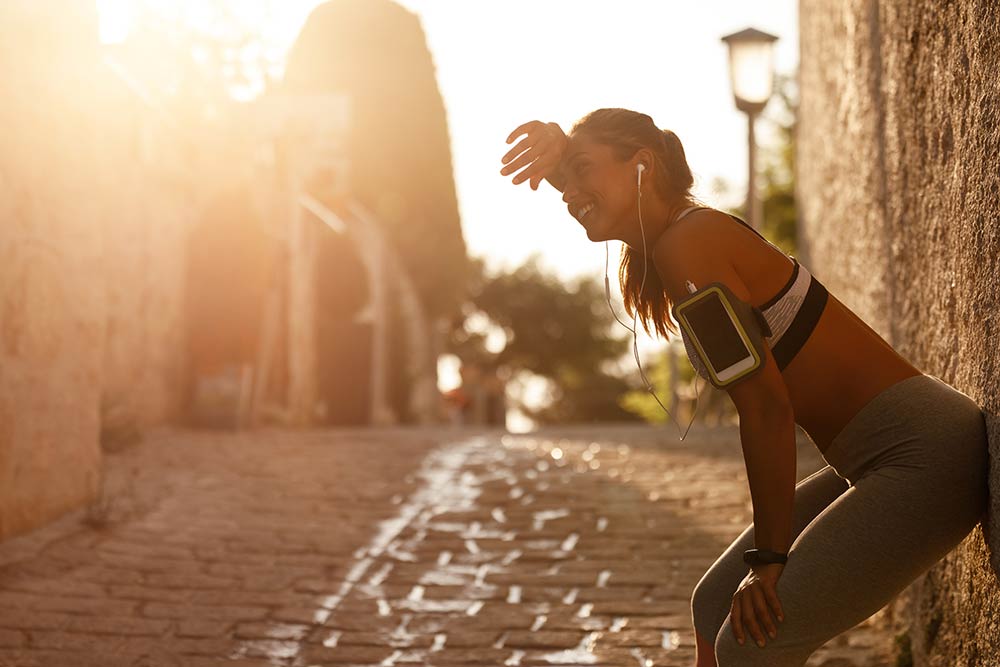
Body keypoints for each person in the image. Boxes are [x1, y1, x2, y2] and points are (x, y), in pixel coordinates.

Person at [499, 109, 989, 667]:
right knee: (713, 606)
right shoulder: (681, 235)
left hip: (926, 455)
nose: (571, 194)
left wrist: (769, 559)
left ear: (643, 166)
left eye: (584, 171)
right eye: (569, 180)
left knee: (754, 641)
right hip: (879, 456)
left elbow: (766, 410)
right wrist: (565, 156)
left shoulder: (689, 245)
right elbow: (597, 185)